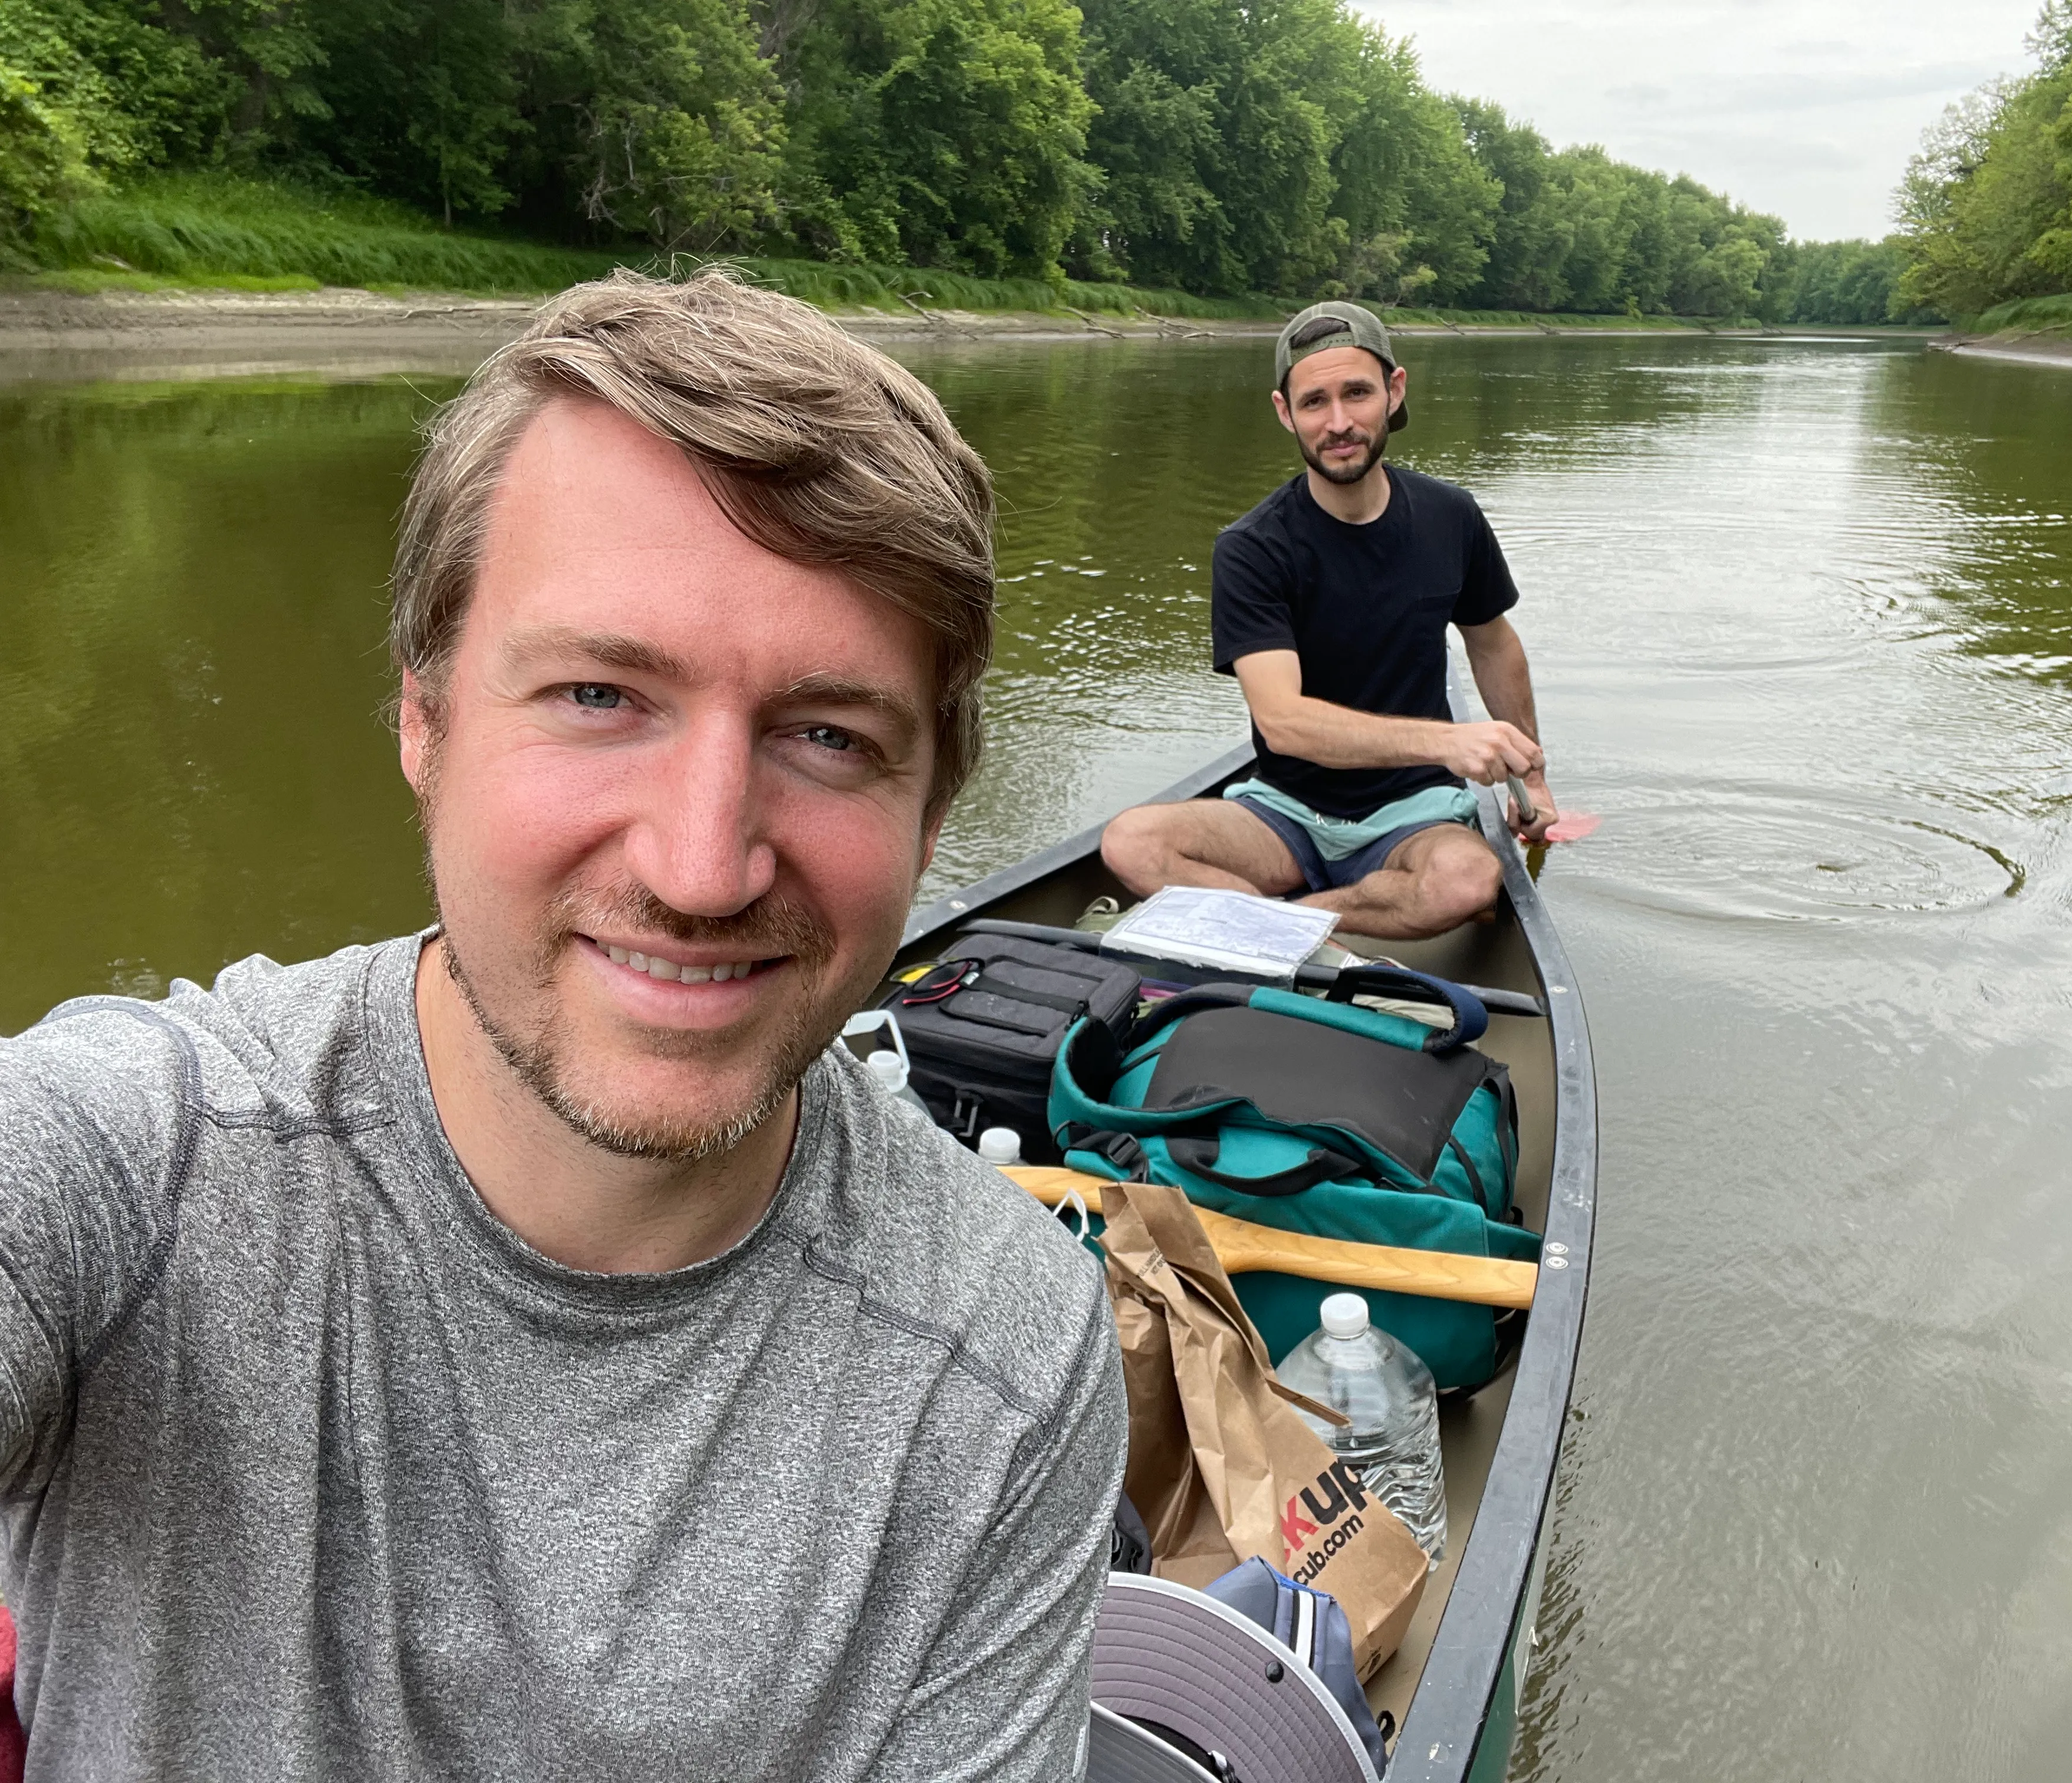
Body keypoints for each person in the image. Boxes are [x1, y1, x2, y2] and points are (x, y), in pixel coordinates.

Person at [0, 271, 1125, 1781]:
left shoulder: (1003, 1352)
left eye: (828, 736)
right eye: (600, 694)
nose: (701, 866)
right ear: (424, 719)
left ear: (933, 814)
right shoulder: (136, 1169)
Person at [1101, 300, 1562, 941]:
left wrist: (1532, 778)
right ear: (1285, 412)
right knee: (1131, 842)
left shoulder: (1451, 517)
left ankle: (1284, 927)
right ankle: (1328, 928)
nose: (1339, 422)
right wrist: (1448, 741)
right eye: (1315, 402)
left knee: (1465, 881)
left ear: (1394, 392)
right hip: (1284, 815)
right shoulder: (1253, 547)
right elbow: (1282, 723)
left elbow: (1492, 643)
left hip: (1418, 812)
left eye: (1357, 393)